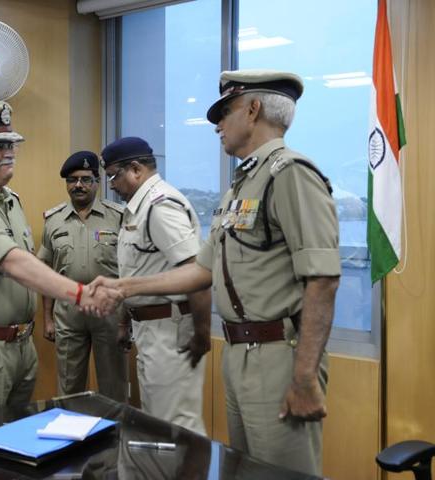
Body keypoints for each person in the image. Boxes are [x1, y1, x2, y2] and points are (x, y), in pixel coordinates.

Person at [90, 70, 340, 476]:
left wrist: (306, 375)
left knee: (281, 470)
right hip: (240, 351)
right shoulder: (241, 187)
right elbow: (201, 271)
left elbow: (323, 279)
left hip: (279, 354)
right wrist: (123, 287)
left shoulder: (290, 174)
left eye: (224, 113)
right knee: (247, 469)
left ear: (254, 110)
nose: (217, 126)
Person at [0, 101, 120, 417]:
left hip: (16, 348)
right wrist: (81, 294)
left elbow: (27, 261)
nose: (9, 152)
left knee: (9, 451)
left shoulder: (9, 201)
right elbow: (14, 263)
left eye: (12, 144)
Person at [98, 136, 212, 435]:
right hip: (150, 329)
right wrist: (125, 321)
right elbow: (137, 268)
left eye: (113, 175)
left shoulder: (160, 207)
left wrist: (202, 333)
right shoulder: (138, 208)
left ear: (135, 169)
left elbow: (197, 273)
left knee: (176, 427)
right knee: (157, 423)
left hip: (171, 332)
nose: (111, 184)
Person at [37, 151, 128, 402]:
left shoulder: (117, 217)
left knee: (114, 385)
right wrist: (47, 319)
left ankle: (115, 435)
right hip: (68, 314)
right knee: (69, 386)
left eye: (86, 179)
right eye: (72, 179)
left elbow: (130, 271)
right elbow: (45, 272)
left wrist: (125, 322)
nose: (78, 185)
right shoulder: (53, 221)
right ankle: (72, 437)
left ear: (97, 182)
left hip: (109, 313)